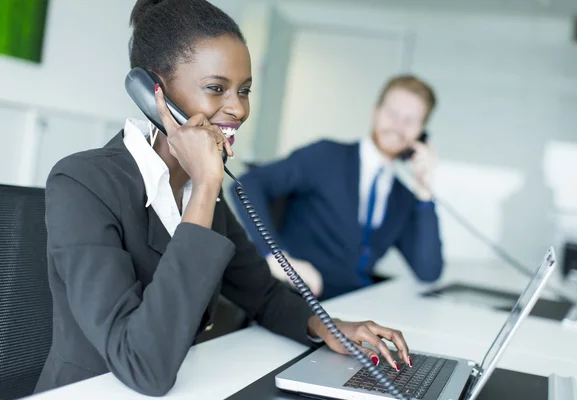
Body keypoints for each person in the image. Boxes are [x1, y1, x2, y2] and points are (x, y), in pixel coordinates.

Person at [33, 0, 414, 397]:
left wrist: (332, 329)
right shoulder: (83, 183)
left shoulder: (203, 191)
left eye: (244, 90)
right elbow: (143, 366)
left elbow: (262, 294)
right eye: (216, 88)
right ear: (154, 92)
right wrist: (205, 187)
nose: (237, 109)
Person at [231, 75, 444, 300]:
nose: (398, 127)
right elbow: (246, 183)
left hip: (356, 306)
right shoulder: (326, 156)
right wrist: (275, 256)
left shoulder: (402, 197)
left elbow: (428, 271)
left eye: (410, 121)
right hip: (299, 298)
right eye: (392, 114)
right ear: (375, 113)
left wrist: (424, 189)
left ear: (421, 133)